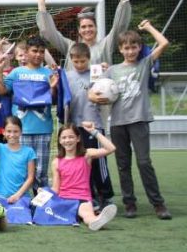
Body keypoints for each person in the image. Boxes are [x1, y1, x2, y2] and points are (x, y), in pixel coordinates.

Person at [92, 20, 172, 220]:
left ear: (139, 48)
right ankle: (129, 203)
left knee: (144, 162)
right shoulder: (112, 71)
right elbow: (96, 88)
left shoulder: (144, 64)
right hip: (118, 122)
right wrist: (96, 94)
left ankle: (158, 203)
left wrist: (149, 28)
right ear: (120, 49)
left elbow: (164, 43)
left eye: (134, 47)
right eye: (126, 48)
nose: (130, 51)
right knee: (122, 164)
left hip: (139, 120)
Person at [0, 36, 59, 190]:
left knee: (41, 173)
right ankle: (19, 204)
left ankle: (39, 206)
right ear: (27, 52)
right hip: (20, 131)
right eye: (34, 51)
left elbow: (54, 100)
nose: (38, 55)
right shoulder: (17, 73)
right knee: (19, 171)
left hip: (43, 129)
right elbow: (2, 90)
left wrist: (53, 87)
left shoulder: (47, 73)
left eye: (41, 52)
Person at [36, 0, 133, 69]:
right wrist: (41, 4)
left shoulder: (106, 45)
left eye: (90, 26)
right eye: (83, 27)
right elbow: (49, 32)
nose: (87, 29)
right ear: (79, 30)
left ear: (96, 28)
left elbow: (120, 26)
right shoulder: (70, 46)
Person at [66, 43, 114, 212]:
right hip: (75, 126)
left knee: (98, 162)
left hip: (94, 124)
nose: (80, 64)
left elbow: (107, 93)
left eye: (83, 61)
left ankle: (106, 196)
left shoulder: (97, 73)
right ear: (71, 60)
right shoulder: (67, 76)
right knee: (81, 163)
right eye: (76, 61)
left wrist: (106, 71)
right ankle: (89, 196)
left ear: (89, 59)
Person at [51, 122, 118, 231]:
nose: (67, 140)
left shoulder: (86, 155)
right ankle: (95, 218)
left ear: (78, 139)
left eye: (71, 137)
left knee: (87, 214)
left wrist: (94, 131)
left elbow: (111, 148)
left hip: (82, 198)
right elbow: (55, 188)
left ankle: (96, 221)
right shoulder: (56, 162)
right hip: (63, 200)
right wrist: (45, 193)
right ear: (59, 140)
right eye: (64, 138)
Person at [0, 102, 36, 202]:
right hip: (1, 196)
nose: (12, 134)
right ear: (4, 132)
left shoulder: (29, 152)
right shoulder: (0, 148)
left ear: (21, 132)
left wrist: (17, 195)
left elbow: (30, 178)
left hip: (21, 198)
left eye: (16, 131)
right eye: (9, 131)